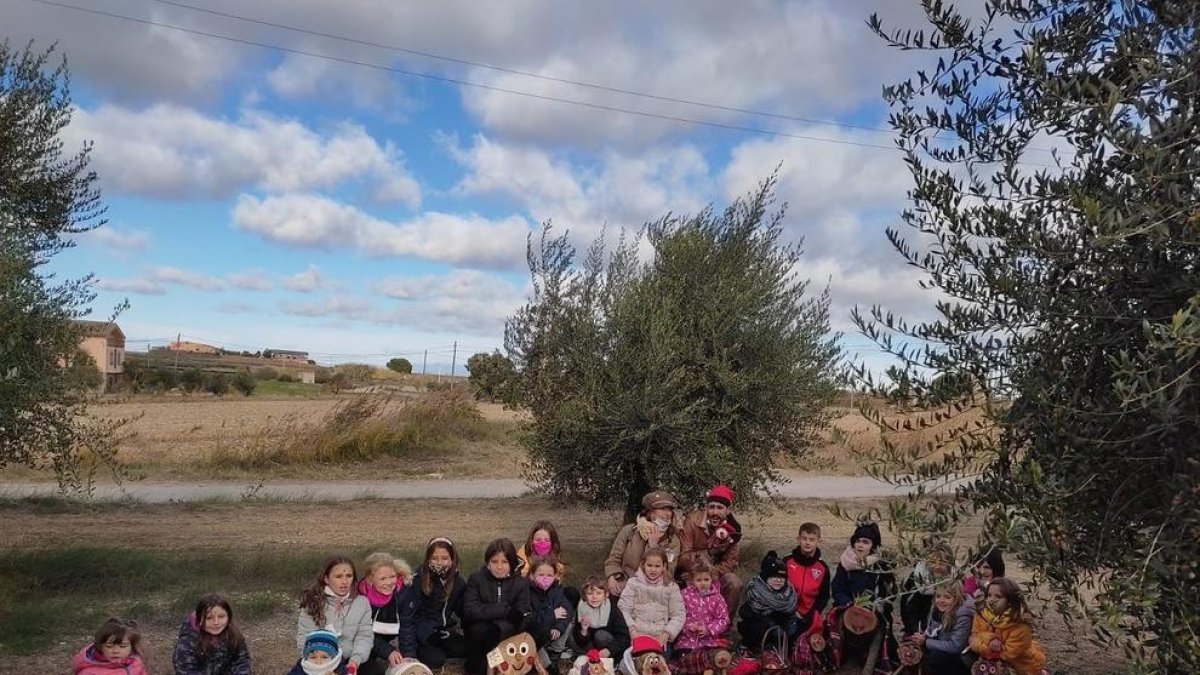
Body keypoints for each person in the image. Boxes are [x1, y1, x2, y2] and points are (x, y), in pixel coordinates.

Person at [830, 521, 898, 669]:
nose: (860, 545)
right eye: (858, 541)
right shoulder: (846, 563)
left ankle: (881, 663)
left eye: (865, 542)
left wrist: (877, 605)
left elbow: (891, 593)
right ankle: (834, 660)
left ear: (873, 546)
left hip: (874, 610)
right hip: (847, 606)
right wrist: (846, 602)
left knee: (885, 634)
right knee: (831, 628)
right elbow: (837, 587)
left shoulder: (881, 565)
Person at [462, 538, 531, 675]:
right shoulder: (476, 579)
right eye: (494, 561)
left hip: (507, 634)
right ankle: (478, 664)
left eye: (504, 562)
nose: (499, 566)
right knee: (479, 631)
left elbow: (522, 613)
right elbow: (470, 610)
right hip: (481, 635)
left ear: (512, 563)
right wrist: (504, 610)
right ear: (488, 562)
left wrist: (499, 627)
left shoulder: (521, 584)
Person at [398, 537, 467, 670]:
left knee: (467, 649)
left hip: (443, 631)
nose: (440, 562)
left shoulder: (458, 582)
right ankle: (420, 650)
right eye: (435, 558)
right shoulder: (417, 581)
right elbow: (408, 618)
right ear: (428, 559)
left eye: (445, 558)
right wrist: (410, 651)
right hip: (423, 633)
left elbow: (464, 611)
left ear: (452, 560)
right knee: (436, 660)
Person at [676, 485, 743, 618]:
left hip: (715, 574)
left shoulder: (733, 530)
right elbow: (682, 557)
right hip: (688, 572)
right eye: (711, 507)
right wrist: (710, 553)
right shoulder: (693, 521)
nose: (715, 512)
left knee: (734, 582)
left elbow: (731, 563)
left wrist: (707, 575)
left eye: (720, 508)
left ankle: (723, 630)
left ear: (728, 510)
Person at [298, 555, 373, 672]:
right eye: (338, 576)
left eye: (349, 576)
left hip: (350, 661)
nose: (344, 582)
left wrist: (355, 661)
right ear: (326, 578)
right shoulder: (312, 602)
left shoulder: (362, 603)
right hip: (318, 662)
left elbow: (364, 635)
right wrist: (317, 665)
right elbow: (304, 637)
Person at [604, 490, 683, 599]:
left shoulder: (672, 540)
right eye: (663, 509)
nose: (668, 514)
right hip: (625, 585)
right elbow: (613, 560)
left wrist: (654, 547)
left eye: (669, 509)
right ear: (650, 512)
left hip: (654, 591)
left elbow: (668, 574)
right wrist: (612, 576)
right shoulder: (629, 531)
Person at [969, 578, 1047, 675]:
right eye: (989, 595)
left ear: (1010, 601)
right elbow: (973, 639)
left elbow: (1007, 654)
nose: (991, 599)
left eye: (998, 596)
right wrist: (990, 640)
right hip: (991, 666)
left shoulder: (1020, 623)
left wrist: (984, 642)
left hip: (1021, 668)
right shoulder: (981, 615)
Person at [617, 547, 685, 653]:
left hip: (660, 636)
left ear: (664, 567)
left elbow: (678, 615)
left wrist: (666, 634)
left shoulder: (672, 587)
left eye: (657, 566)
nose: (653, 569)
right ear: (643, 565)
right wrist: (632, 631)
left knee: (657, 665)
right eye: (649, 565)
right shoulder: (633, 583)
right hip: (636, 634)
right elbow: (623, 608)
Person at [358, 552, 413, 675]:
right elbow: (364, 632)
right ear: (370, 579)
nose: (389, 583)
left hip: (394, 638)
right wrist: (388, 651)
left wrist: (408, 657)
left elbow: (407, 626)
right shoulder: (360, 598)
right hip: (369, 639)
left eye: (392, 576)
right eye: (382, 578)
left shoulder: (403, 592)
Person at [173, 593, 252, 675]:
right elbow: (185, 669)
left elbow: (242, 660)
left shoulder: (233, 634)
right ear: (199, 619)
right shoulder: (188, 641)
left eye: (221, 616)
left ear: (229, 616)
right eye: (209, 618)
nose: (216, 622)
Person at [909, 582, 974, 675]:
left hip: (961, 657)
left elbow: (956, 646)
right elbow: (932, 631)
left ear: (957, 598)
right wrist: (921, 637)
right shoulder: (937, 610)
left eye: (947, 597)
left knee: (936, 657)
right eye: (938, 596)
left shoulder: (963, 615)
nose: (941, 600)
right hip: (943, 647)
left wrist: (926, 642)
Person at [737, 551, 797, 654]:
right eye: (774, 577)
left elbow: (790, 616)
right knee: (759, 629)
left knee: (793, 629)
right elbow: (745, 613)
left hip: (779, 627)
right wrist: (773, 627)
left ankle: (780, 650)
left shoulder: (789, 594)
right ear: (765, 578)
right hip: (758, 625)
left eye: (782, 577)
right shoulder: (756, 592)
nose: (778, 580)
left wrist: (790, 631)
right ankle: (748, 646)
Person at [785, 522, 831, 642]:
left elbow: (824, 596)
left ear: (818, 542)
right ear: (798, 539)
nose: (807, 542)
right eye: (804, 538)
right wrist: (791, 611)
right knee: (788, 633)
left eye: (812, 539)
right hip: (786, 611)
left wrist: (809, 615)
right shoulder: (787, 562)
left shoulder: (822, 568)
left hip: (808, 614)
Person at [672, 557, 729, 653]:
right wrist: (689, 627)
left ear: (712, 579)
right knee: (684, 656)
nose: (703, 583)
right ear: (692, 580)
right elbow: (678, 615)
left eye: (706, 579)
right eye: (699, 580)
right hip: (687, 641)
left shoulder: (718, 598)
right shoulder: (684, 595)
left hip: (710, 641)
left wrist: (709, 629)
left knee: (711, 657)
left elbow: (723, 619)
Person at [526, 556, 573, 666]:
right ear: (532, 575)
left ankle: (555, 651)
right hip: (535, 635)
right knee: (546, 665)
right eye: (541, 575)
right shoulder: (526, 591)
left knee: (568, 624)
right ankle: (542, 652)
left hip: (553, 630)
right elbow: (531, 619)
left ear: (555, 575)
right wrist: (552, 615)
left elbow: (567, 609)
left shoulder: (557, 589)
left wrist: (558, 627)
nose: (545, 578)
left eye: (549, 575)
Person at [900, 542, 954, 637]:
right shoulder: (916, 578)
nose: (937, 566)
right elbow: (908, 608)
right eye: (932, 562)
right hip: (919, 629)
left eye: (942, 563)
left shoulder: (955, 580)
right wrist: (916, 630)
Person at [571, 575, 631, 660]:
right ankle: (590, 657)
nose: (594, 597)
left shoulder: (612, 609)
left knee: (600, 635)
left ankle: (612, 660)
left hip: (608, 645)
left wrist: (609, 650)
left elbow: (624, 636)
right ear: (585, 595)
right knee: (572, 638)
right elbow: (579, 639)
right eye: (590, 593)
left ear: (605, 595)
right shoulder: (582, 608)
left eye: (598, 593)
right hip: (590, 645)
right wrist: (584, 630)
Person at [73, 618, 147, 675]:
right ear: (100, 646)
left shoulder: (135, 662)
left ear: (132, 646)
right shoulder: (90, 672)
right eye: (109, 646)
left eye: (122, 646)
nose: (115, 651)